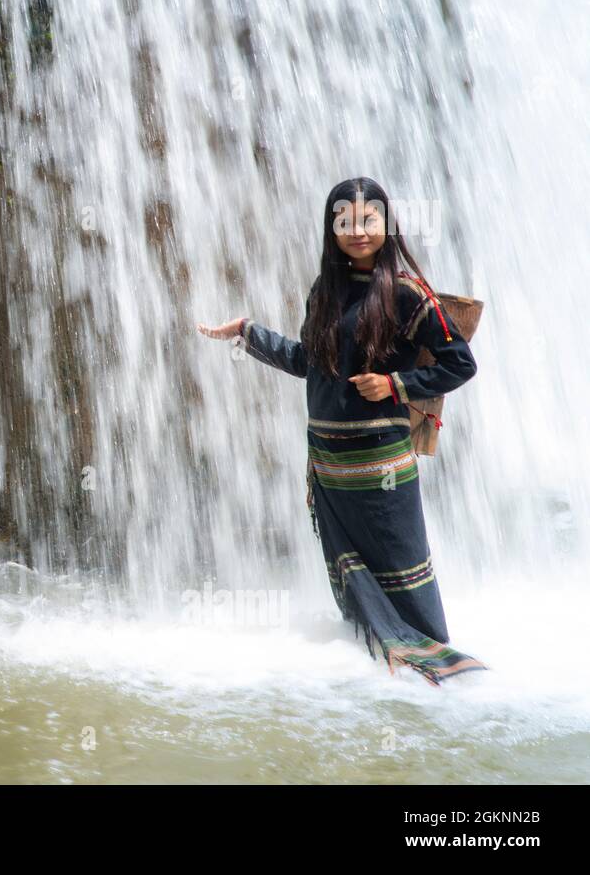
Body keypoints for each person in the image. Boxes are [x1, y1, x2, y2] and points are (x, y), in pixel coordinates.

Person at [197, 177, 486, 685]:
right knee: (353, 577)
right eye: (345, 222)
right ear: (331, 229)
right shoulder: (325, 292)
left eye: (368, 220)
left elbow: (460, 363)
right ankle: (380, 672)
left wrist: (395, 383)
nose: (357, 231)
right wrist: (246, 333)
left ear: (387, 224)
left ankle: (438, 675)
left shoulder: (404, 293)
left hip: (381, 469)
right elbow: (307, 362)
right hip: (330, 466)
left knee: (403, 573)